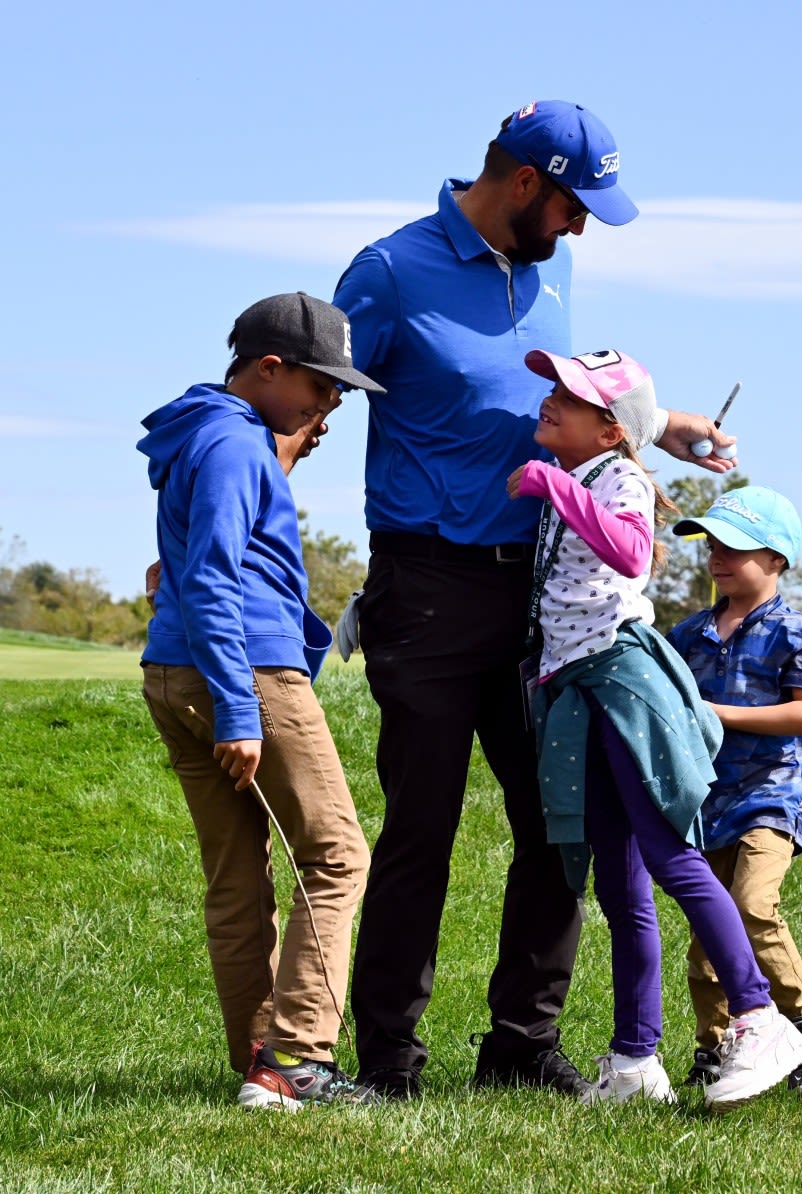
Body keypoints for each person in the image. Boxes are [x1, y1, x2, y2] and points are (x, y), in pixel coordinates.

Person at [329, 100, 739, 1098]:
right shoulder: (388, 273)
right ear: (525, 182)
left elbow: (552, 403)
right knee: (421, 826)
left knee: (564, 822)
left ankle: (520, 1046)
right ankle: (389, 1060)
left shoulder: (550, 260)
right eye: (575, 205)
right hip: (427, 589)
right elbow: (312, 395)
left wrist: (663, 421)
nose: (583, 227)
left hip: (546, 598)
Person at [508, 348, 802, 1110]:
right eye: (552, 387)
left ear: (612, 430)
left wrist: (550, 484)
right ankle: (634, 1060)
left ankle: (757, 1018)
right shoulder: (584, 470)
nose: (551, 401)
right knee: (618, 879)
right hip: (578, 682)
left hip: (619, 677)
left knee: (671, 857)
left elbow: (632, 554)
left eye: (571, 397)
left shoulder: (618, 480)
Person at [136, 292, 381, 1110]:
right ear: (270, 370)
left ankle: (259, 1060)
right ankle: (297, 1060)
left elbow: (186, 565)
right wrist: (242, 711)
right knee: (338, 857)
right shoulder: (239, 446)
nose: (331, 404)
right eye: (321, 386)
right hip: (245, 675)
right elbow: (211, 576)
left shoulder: (203, 433)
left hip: (173, 671)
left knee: (237, 878)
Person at [666, 486, 802, 1093]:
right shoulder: (687, 635)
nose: (717, 557)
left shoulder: (796, 632)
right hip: (705, 802)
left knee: (750, 906)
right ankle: (717, 1048)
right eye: (711, 545)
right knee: (706, 928)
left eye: (734, 548)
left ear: (776, 560)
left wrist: (717, 713)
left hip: (769, 797)